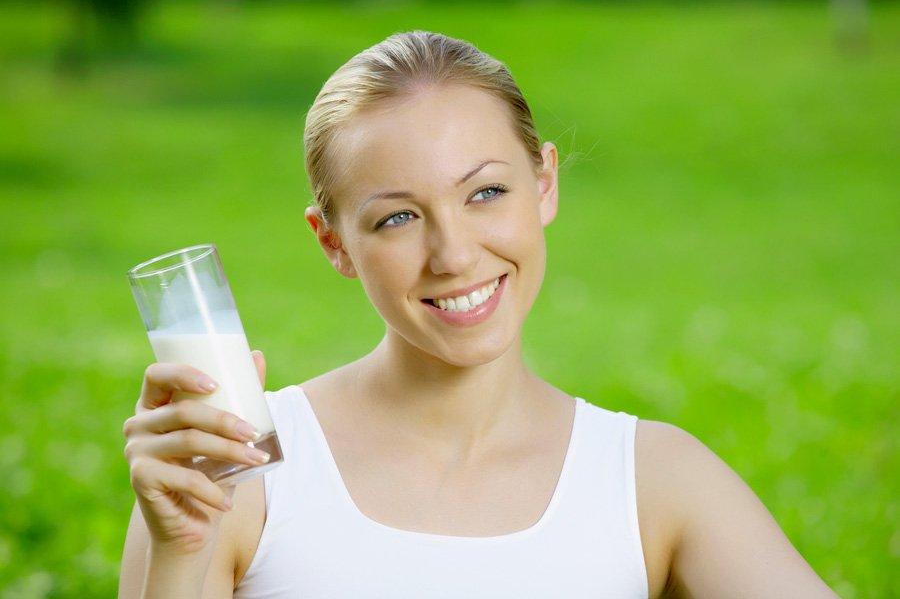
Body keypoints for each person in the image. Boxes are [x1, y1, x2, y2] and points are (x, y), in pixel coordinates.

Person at [118, 31, 837, 598]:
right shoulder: (228, 474)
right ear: (334, 243)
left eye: (486, 193)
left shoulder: (653, 482)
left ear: (545, 182)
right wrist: (180, 558)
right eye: (398, 218)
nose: (454, 254)